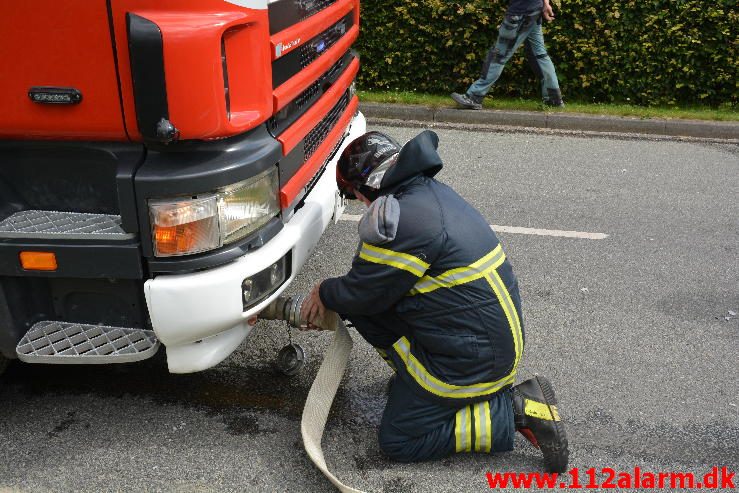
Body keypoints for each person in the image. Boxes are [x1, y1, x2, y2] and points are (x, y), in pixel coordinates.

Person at [301, 130, 569, 472]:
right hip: (484, 343)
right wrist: (340, 295)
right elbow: (369, 290)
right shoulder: (427, 195)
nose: (360, 205)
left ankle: (513, 411)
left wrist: (323, 292)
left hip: (471, 365)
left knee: (399, 440)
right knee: (364, 309)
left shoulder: (400, 221)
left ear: (368, 187)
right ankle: (420, 384)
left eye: (355, 196)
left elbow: (361, 292)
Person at [451, 0, 563, 109]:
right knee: (540, 55)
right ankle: (553, 99)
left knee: (498, 55)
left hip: (520, 12)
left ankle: (474, 96)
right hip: (533, 9)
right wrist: (545, 3)